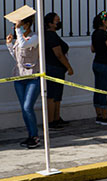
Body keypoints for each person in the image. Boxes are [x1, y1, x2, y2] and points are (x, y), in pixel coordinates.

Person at [5, 9, 40, 148]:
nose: (15, 27)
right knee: (24, 109)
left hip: (33, 76)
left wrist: (18, 31)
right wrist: (9, 45)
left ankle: (35, 136)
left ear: (27, 24)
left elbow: (25, 45)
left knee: (28, 106)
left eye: (18, 24)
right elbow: (18, 58)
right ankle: (30, 135)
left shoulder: (34, 37)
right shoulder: (19, 39)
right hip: (19, 76)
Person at [43, 12, 74, 129]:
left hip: (57, 69)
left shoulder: (52, 35)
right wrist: (69, 67)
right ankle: (51, 121)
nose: (59, 22)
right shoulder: (50, 36)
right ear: (50, 23)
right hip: (53, 68)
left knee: (57, 95)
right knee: (52, 95)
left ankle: (56, 118)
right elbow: (59, 54)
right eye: (56, 20)